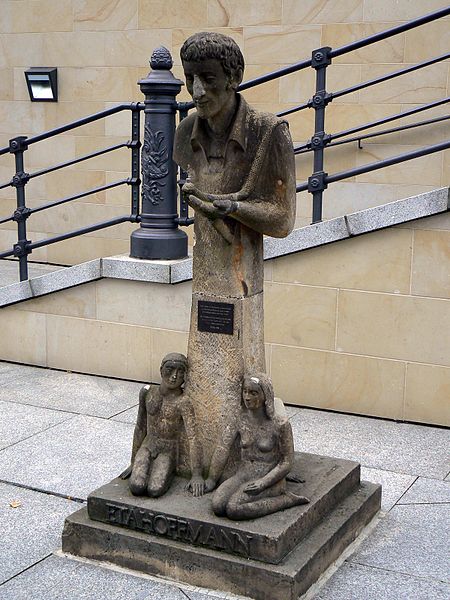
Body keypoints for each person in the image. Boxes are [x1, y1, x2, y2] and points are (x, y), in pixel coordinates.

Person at [173, 32, 297, 467]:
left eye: (208, 78)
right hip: (205, 265)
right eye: (191, 79)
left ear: (234, 78)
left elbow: (282, 220)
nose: (198, 91)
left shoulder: (268, 134)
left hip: (241, 272)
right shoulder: (186, 130)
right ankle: (197, 455)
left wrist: (233, 207)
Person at [203, 374, 309, 520]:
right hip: (243, 474)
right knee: (218, 505)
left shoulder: (279, 424)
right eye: (245, 392)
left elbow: (287, 462)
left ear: (265, 395)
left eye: (253, 393)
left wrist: (263, 482)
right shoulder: (239, 419)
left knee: (234, 509)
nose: (247, 397)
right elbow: (223, 448)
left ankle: (286, 500)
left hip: (269, 478)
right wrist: (211, 479)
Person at [120, 353, 204, 498]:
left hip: (168, 450)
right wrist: (133, 461)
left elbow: (193, 438)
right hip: (148, 445)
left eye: (180, 372)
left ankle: (169, 473)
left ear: (185, 376)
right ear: (161, 370)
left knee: (154, 489)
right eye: (169, 370)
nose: (174, 376)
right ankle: (144, 466)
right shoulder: (147, 392)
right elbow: (140, 427)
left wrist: (196, 474)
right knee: (136, 486)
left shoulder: (183, 402)